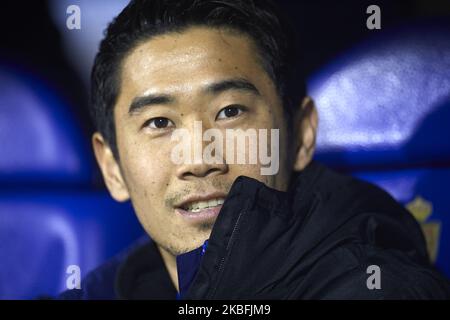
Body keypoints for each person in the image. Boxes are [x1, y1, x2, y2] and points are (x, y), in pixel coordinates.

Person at [59, 0, 450, 299]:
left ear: (300, 135)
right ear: (111, 167)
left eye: (230, 112)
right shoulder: (118, 284)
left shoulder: (370, 284)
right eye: (159, 123)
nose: (198, 160)